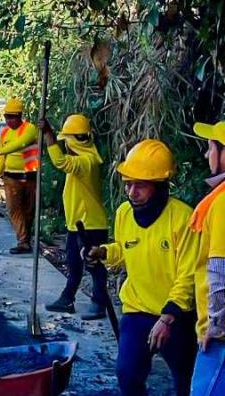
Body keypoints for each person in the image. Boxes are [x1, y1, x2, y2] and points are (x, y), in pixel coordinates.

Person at [86, 139, 198, 396]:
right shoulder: (124, 213)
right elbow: (127, 250)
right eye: (128, 184)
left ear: (160, 186)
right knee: (128, 376)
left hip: (175, 317)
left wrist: (168, 318)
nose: (131, 192)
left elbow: (189, 274)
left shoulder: (183, 218)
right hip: (137, 312)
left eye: (140, 185)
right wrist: (105, 252)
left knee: (185, 381)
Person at [38, 115, 109, 320]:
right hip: (76, 223)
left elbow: (60, 162)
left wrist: (49, 134)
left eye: (65, 141)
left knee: (93, 265)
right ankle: (67, 298)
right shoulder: (82, 160)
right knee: (74, 263)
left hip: (90, 224)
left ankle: (99, 303)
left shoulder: (86, 162)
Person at [188, 122, 225, 395]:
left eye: (211, 147)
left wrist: (217, 327)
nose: (205, 155)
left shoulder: (222, 204)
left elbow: (220, 269)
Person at [0, 98, 39, 254]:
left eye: (13, 117)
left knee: (29, 211)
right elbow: (1, 159)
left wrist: (0, 151)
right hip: (11, 178)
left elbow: (21, 144)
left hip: (30, 176)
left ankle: (27, 238)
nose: (10, 120)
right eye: (7, 117)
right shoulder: (4, 132)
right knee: (14, 209)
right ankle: (23, 241)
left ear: (20, 116)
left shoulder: (29, 129)